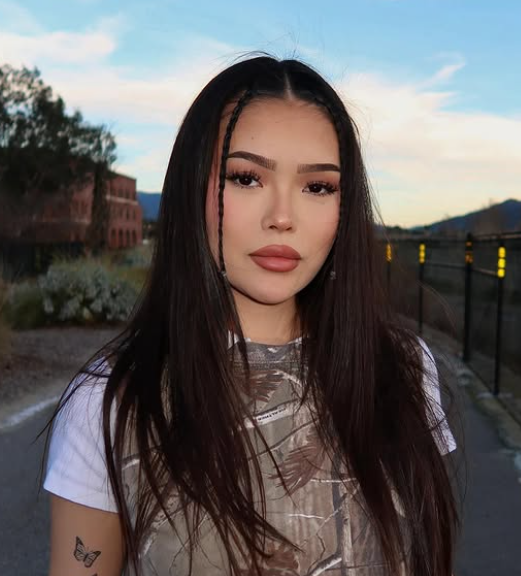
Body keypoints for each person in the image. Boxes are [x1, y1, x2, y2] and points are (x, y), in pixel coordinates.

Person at [42, 55, 459, 576]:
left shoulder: (402, 369)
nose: (282, 217)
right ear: (192, 188)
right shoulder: (112, 399)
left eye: (318, 187)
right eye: (246, 178)